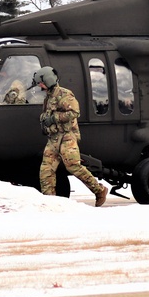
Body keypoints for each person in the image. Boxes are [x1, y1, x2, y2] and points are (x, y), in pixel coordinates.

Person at [34, 66, 108, 207]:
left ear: (48, 80)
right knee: (46, 171)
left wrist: (54, 118)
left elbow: (74, 112)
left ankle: (99, 190)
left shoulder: (64, 94)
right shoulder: (49, 97)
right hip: (54, 138)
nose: (40, 86)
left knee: (73, 166)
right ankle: (50, 203)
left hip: (67, 136)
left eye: (41, 83)